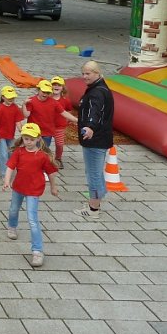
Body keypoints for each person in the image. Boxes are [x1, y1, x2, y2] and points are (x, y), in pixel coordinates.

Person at [3, 122, 60, 267]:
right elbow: (10, 167)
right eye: (26, 138)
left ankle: (37, 251)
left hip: (34, 191)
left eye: (31, 139)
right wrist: (6, 181)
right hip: (18, 188)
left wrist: (53, 187)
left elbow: (51, 173)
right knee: (13, 209)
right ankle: (11, 226)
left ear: (38, 139)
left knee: (32, 219)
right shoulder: (19, 152)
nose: (28, 142)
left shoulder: (42, 156)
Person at [74, 61, 115, 219]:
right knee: (95, 173)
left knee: (94, 174)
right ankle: (96, 201)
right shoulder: (99, 88)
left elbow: (95, 112)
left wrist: (90, 127)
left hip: (95, 140)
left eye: (88, 73)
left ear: (97, 73)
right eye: (83, 73)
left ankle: (93, 209)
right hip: (99, 138)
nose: (85, 76)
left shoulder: (97, 92)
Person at [24, 79, 77, 150]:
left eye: (48, 92)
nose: (45, 94)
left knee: (44, 151)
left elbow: (64, 113)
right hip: (33, 132)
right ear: (38, 90)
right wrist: (24, 104)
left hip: (47, 132)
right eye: (43, 92)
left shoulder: (53, 102)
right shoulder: (31, 101)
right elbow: (26, 115)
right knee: (32, 150)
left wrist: (76, 120)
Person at [0, 85, 25, 178]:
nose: (11, 99)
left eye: (13, 97)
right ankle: (4, 175)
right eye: (9, 97)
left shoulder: (15, 108)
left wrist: (22, 131)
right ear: (3, 97)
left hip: (10, 135)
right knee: (4, 154)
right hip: (1, 135)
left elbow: (18, 121)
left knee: (12, 153)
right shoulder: (0, 108)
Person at [50, 75, 74, 167]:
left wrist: (67, 119)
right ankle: (44, 159)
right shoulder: (47, 98)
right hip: (48, 125)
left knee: (59, 144)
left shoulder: (65, 100)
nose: (56, 87)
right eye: (54, 84)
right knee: (44, 144)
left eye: (59, 85)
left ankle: (58, 158)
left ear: (63, 88)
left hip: (59, 126)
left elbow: (69, 110)